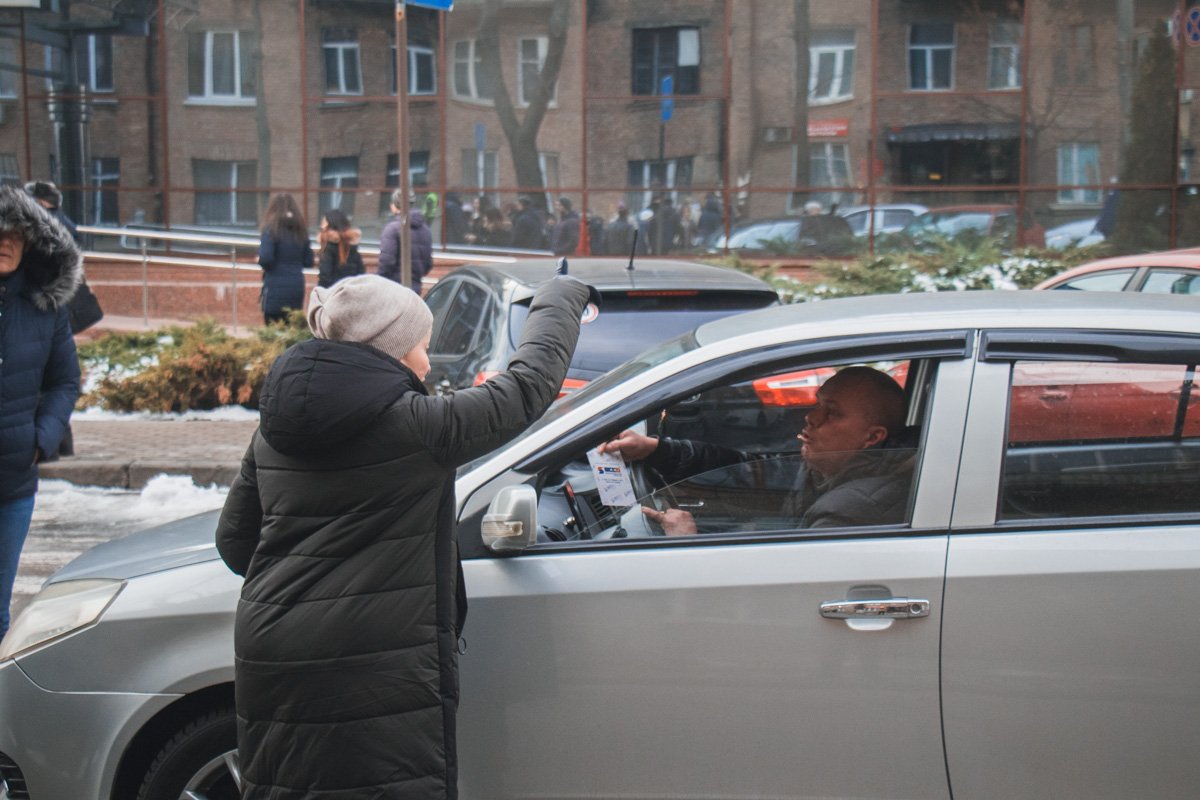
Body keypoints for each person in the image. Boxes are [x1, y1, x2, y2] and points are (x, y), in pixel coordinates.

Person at [215, 271, 592, 799]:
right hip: (371, 658)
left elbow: (235, 544)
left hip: (272, 651)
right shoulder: (418, 427)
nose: (427, 363)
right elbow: (524, 391)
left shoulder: (273, 431)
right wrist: (560, 297)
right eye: (421, 346)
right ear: (388, 350)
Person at [598, 366, 913, 535]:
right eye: (818, 404)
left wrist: (686, 544)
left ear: (872, 437)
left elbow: (785, 596)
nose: (811, 417)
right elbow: (745, 470)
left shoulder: (852, 511)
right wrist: (656, 450)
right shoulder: (831, 468)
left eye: (832, 413)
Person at [0, 185, 81, 638]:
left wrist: (41, 439)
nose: (5, 241)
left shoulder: (44, 306)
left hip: (13, 482)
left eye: (15, 232)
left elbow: (65, 381)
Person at [256, 193, 313, 325]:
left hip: (274, 286)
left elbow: (266, 259)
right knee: (292, 326)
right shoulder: (301, 230)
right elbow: (308, 261)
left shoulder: (270, 229)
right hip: (296, 285)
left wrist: (259, 259)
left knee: (273, 329)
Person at [377, 189, 433, 296]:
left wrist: (378, 282)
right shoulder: (426, 230)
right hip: (415, 290)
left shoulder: (392, 229)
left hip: (393, 289)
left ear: (394, 205)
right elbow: (428, 264)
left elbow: (386, 263)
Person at [316, 208, 363, 288]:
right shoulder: (352, 246)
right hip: (352, 291)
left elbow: (324, 277)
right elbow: (361, 273)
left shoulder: (328, 248)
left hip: (333, 292)